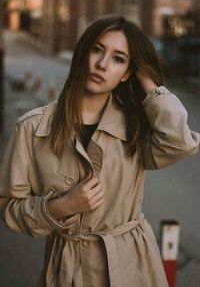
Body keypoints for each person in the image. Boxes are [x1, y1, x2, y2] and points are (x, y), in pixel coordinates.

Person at [0, 15, 199, 287]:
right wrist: (61, 206)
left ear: (128, 73)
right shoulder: (32, 128)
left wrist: (147, 80)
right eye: (97, 49)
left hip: (134, 267)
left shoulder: (135, 127)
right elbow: (9, 208)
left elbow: (180, 142)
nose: (102, 64)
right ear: (83, 52)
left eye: (119, 59)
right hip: (68, 270)